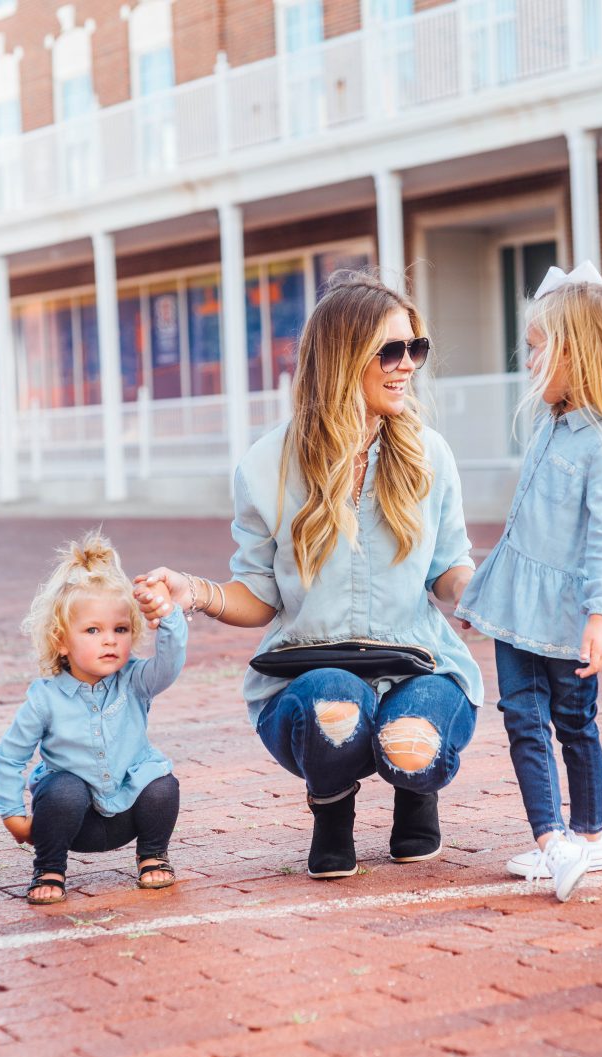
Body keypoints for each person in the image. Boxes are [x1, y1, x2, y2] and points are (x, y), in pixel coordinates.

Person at [135, 271, 482, 879]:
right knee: (335, 705)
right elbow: (259, 596)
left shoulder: (431, 454)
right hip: (308, 672)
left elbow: (447, 567)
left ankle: (415, 792)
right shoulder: (267, 463)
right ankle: (331, 807)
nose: (407, 366)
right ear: (343, 357)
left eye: (415, 349)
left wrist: (475, 592)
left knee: (411, 739)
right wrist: (195, 592)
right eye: (391, 351)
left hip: (418, 660)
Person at [456, 261, 602, 901]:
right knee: (521, 716)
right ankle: (551, 840)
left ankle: (589, 834)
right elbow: (520, 527)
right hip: (519, 607)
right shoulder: (549, 426)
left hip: (570, 614)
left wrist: (600, 616)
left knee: (575, 723)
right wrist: (482, 595)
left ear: (574, 354)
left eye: (536, 348)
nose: (527, 362)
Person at [0, 530, 187, 904]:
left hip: (128, 811)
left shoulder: (135, 680)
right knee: (63, 787)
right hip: (72, 819)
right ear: (61, 640)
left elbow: (169, 663)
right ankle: (49, 866)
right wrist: (12, 814)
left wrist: (169, 616)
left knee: (162, 783)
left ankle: (152, 854)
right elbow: (10, 756)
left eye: (120, 629)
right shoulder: (45, 697)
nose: (110, 640)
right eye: (93, 630)